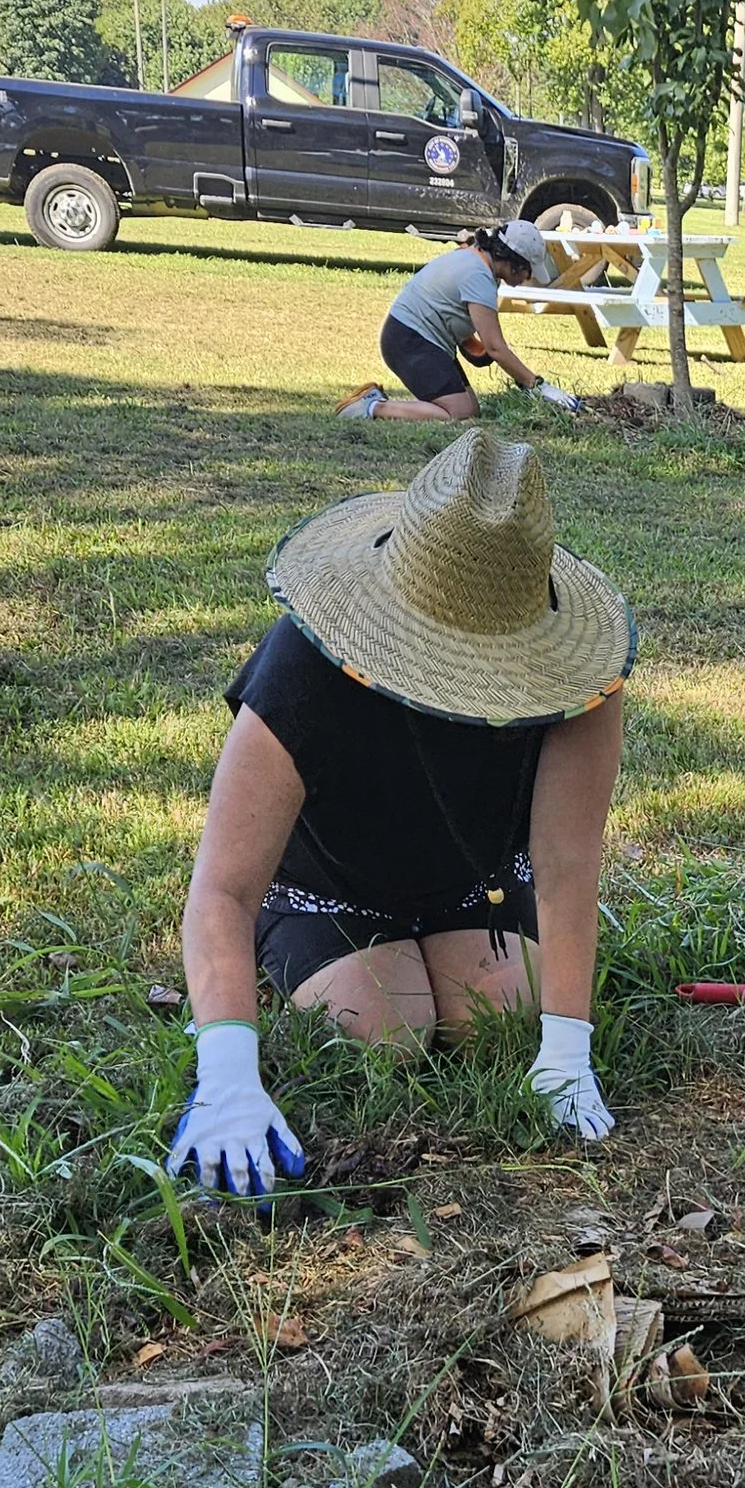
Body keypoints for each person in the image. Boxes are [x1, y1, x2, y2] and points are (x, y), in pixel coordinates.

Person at [171, 429, 634, 1194]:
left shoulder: (581, 685)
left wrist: (566, 1049)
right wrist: (227, 1073)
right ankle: (296, 958)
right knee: (386, 1031)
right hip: (326, 886)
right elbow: (221, 887)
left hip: (466, 883)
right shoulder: (304, 668)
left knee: (503, 1020)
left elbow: (566, 863)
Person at [338, 221, 580, 424]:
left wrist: (471, 345)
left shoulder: (474, 258)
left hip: (417, 337)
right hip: (408, 342)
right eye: (528, 270)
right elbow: (496, 348)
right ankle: (373, 407)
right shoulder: (479, 277)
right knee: (457, 412)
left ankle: (376, 401)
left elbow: (449, 307)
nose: (528, 277)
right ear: (513, 260)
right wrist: (538, 386)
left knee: (470, 409)